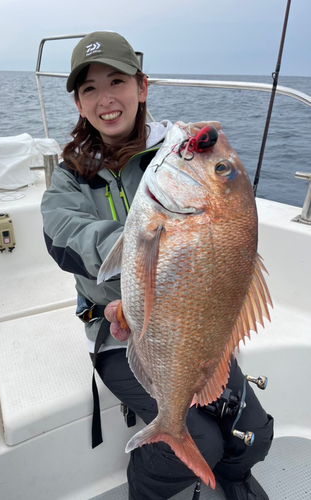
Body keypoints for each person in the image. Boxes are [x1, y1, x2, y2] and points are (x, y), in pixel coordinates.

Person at [41, 31, 274, 500]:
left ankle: (232, 479)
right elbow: (63, 235)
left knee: (254, 431)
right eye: (89, 89)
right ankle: (144, 490)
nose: (106, 99)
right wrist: (145, 250)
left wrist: (216, 164)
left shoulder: (176, 151)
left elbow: (228, 235)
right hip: (119, 336)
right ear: (78, 104)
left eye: (117, 81)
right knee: (198, 441)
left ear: (142, 87)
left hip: (195, 332)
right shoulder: (69, 178)